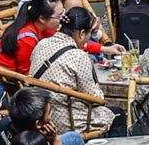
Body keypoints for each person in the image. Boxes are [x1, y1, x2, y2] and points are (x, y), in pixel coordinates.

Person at [30, 7, 126, 137]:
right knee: (118, 114)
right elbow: (96, 99)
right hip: (67, 122)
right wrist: (97, 89)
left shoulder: (41, 44)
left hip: (41, 117)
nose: (88, 38)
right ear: (81, 33)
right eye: (89, 34)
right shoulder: (79, 56)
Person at [0, 0, 63, 77]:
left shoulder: (38, 25)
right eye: (59, 16)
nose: (63, 19)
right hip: (6, 80)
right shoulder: (26, 40)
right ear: (42, 19)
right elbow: (27, 74)